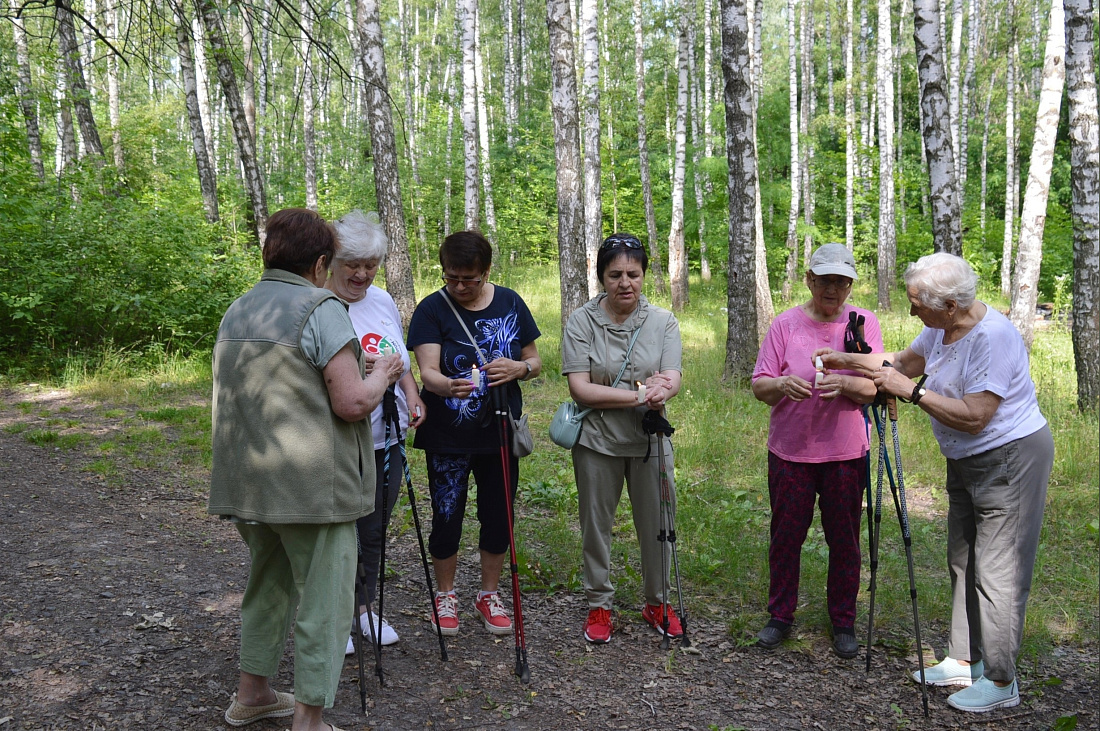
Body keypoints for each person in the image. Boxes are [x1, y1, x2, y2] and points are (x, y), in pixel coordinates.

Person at [817, 252, 1053, 712]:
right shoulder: (942, 327)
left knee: (998, 570)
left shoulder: (993, 338)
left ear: (949, 303)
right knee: (964, 558)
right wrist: (846, 359)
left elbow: (976, 417)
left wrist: (914, 393)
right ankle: (967, 659)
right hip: (966, 460)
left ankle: (1002, 681)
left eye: (916, 303)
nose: (910, 311)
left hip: (1009, 459)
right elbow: (901, 362)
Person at [209, 208, 403, 731]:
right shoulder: (321, 309)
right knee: (324, 602)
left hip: (249, 481)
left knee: (267, 584)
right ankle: (310, 720)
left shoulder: (239, 308)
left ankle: (253, 694)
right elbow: (353, 403)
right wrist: (383, 372)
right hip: (312, 489)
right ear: (321, 263)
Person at [406, 231, 542, 637]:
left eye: (470, 279)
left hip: (500, 429)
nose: (460, 286)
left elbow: (535, 360)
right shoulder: (432, 308)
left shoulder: (511, 302)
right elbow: (427, 370)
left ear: (486, 272)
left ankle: (488, 594)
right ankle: (445, 596)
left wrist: (520, 369)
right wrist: (445, 386)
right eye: (452, 278)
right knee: (447, 515)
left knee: (499, 514)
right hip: (447, 433)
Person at [751, 243, 882, 659]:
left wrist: (843, 383)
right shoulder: (786, 324)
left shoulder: (863, 323)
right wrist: (781, 385)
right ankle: (780, 616)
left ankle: (843, 621)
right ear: (810, 280)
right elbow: (760, 384)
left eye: (842, 282)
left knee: (844, 538)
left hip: (845, 453)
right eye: (826, 280)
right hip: (791, 451)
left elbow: (874, 387)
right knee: (786, 536)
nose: (834, 289)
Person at [560, 232, 684, 645]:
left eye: (633, 273)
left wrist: (664, 389)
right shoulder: (580, 322)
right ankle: (599, 603)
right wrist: (638, 395)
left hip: (650, 441)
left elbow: (673, 376)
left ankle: (658, 601)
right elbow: (580, 389)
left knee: (659, 525)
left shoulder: (663, 321)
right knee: (596, 526)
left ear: (645, 275)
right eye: (614, 274)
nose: (624, 283)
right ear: (601, 277)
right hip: (596, 441)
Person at [327, 210, 426, 656]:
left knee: (373, 528)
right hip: (341, 439)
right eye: (353, 264)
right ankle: (332, 615)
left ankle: (364, 610)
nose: (363, 274)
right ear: (330, 260)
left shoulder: (382, 300)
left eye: (371, 264)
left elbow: (398, 356)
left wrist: (413, 393)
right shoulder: (320, 304)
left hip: (387, 436)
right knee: (337, 531)